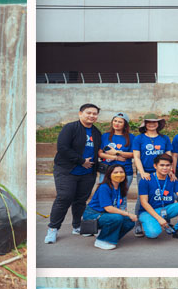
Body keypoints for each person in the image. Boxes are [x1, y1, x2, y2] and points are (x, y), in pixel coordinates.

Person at [46, 104, 101, 244]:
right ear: (80, 113)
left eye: (95, 114)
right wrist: (81, 161)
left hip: (88, 173)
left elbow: (99, 151)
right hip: (67, 170)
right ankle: (53, 229)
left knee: (81, 200)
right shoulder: (70, 128)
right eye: (88, 113)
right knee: (64, 197)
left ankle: (77, 226)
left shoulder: (96, 132)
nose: (92, 116)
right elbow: (62, 147)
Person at [137, 154, 178, 241]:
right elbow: (144, 202)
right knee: (153, 234)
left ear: (171, 167)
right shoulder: (146, 179)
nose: (165, 168)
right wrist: (159, 218)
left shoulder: (172, 179)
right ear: (155, 166)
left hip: (165, 209)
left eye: (167, 165)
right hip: (148, 212)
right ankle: (151, 222)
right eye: (162, 165)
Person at [83, 163, 137, 250]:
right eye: (115, 172)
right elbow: (108, 208)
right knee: (117, 217)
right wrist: (127, 214)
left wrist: (127, 216)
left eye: (121, 172)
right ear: (109, 175)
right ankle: (101, 240)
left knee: (129, 221)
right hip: (93, 214)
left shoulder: (121, 187)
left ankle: (109, 237)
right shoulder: (104, 187)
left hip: (106, 214)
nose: (119, 174)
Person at [132, 113, 173, 180]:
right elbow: (136, 157)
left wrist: (170, 170)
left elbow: (169, 155)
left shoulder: (165, 138)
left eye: (154, 122)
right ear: (145, 124)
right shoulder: (138, 138)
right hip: (145, 172)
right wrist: (142, 172)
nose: (151, 124)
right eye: (148, 122)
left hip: (162, 172)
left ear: (158, 123)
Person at [98, 112, 135, 179]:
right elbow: (100, 153)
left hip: (125, 171)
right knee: (104, 189)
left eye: (120, 122)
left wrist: (116, 152)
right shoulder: (105, 136)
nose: (116, 123)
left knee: (122, 190)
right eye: (115, 121)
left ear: (125, 124)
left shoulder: (131, 137)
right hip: (106, 170)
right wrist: (116, 158)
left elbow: (133, 154)